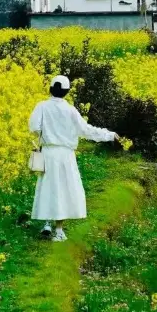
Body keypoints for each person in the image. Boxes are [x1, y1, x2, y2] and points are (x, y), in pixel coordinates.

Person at [28, 75, 118, 242]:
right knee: (63, 190)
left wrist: (44, 135)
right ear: (67, 91)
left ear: (51, 89)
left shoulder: (42, 106)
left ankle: (46, 223)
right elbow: (87, 130)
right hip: (65, 156)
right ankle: (59, 230)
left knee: (48, 187)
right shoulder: (70, 110)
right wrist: (110, 135)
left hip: (48, 152)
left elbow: (34, 126)